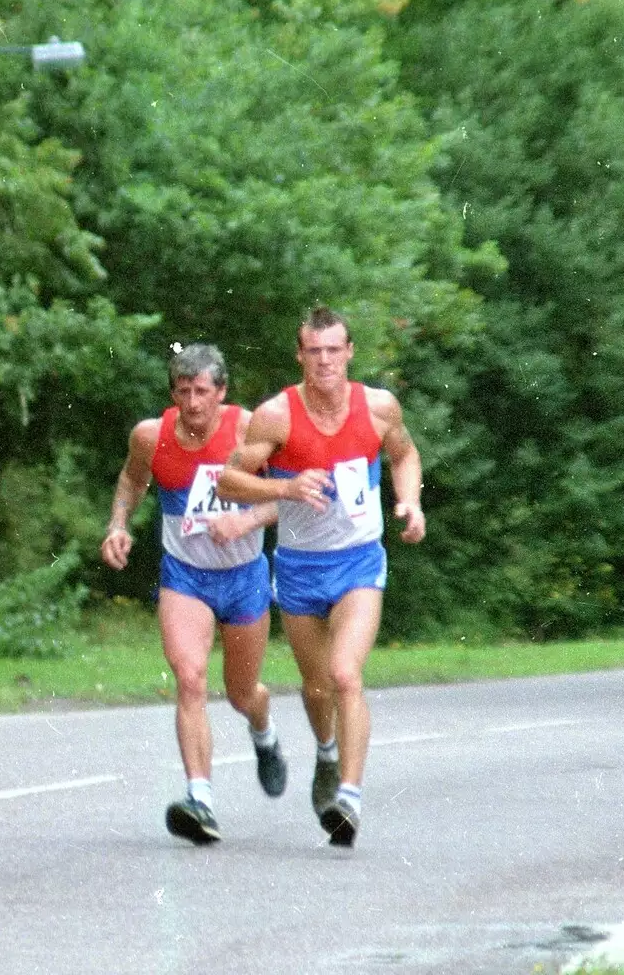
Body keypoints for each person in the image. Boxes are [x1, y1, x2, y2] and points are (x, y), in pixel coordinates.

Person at [217, 307, 426, 848]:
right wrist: (284, 489)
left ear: (350, 352)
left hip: (358, 560)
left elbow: (405, 456)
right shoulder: (276, 417)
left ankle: (349, 799)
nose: (325, 361)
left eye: (335, 350)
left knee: (345, 674)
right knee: (315, 687)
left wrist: (410, 502)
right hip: (299, 567)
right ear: (300, 356)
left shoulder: (379, 408)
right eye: (315, 351)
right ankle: (327, 754)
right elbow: (229, 483)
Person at [100, 343, 285, 846]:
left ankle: (264, 734)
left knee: (243, 693)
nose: (193, 403)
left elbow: (292, 499)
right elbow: (131, 481)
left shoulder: (251, 429)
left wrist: (246, 517)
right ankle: (200, 799)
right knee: (189, 678)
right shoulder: (151, 436)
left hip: (244, 574)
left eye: (202, 392)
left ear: (221, 393)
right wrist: (119, 525)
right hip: (185, 575)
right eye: (183, 391)